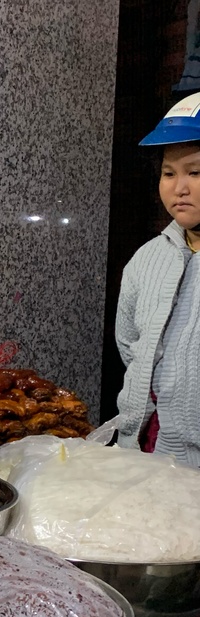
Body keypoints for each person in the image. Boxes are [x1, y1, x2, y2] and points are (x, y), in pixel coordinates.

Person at [116, 93, 200, 467]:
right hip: (143, 452)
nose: (179, 187)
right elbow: (130, 345)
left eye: (195, 172)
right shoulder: (147, 259)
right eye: (169, 173)